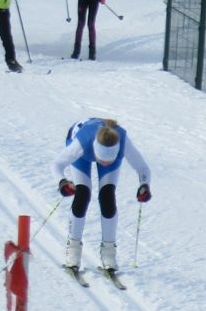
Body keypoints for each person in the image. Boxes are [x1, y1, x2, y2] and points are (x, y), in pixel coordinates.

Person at [53, 117, 153, 275]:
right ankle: (73, 252)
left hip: (100, 147)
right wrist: (62, 182)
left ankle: (109, 255)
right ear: (95, 151)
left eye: (109, 160)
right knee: (82, 194)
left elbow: (143, 168)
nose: (104, 163)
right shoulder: (81, 143)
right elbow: (57, 164)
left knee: (107, 196)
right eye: (101, 160)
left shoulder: (123, 142)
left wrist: (144, 186)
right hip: (82, 152)